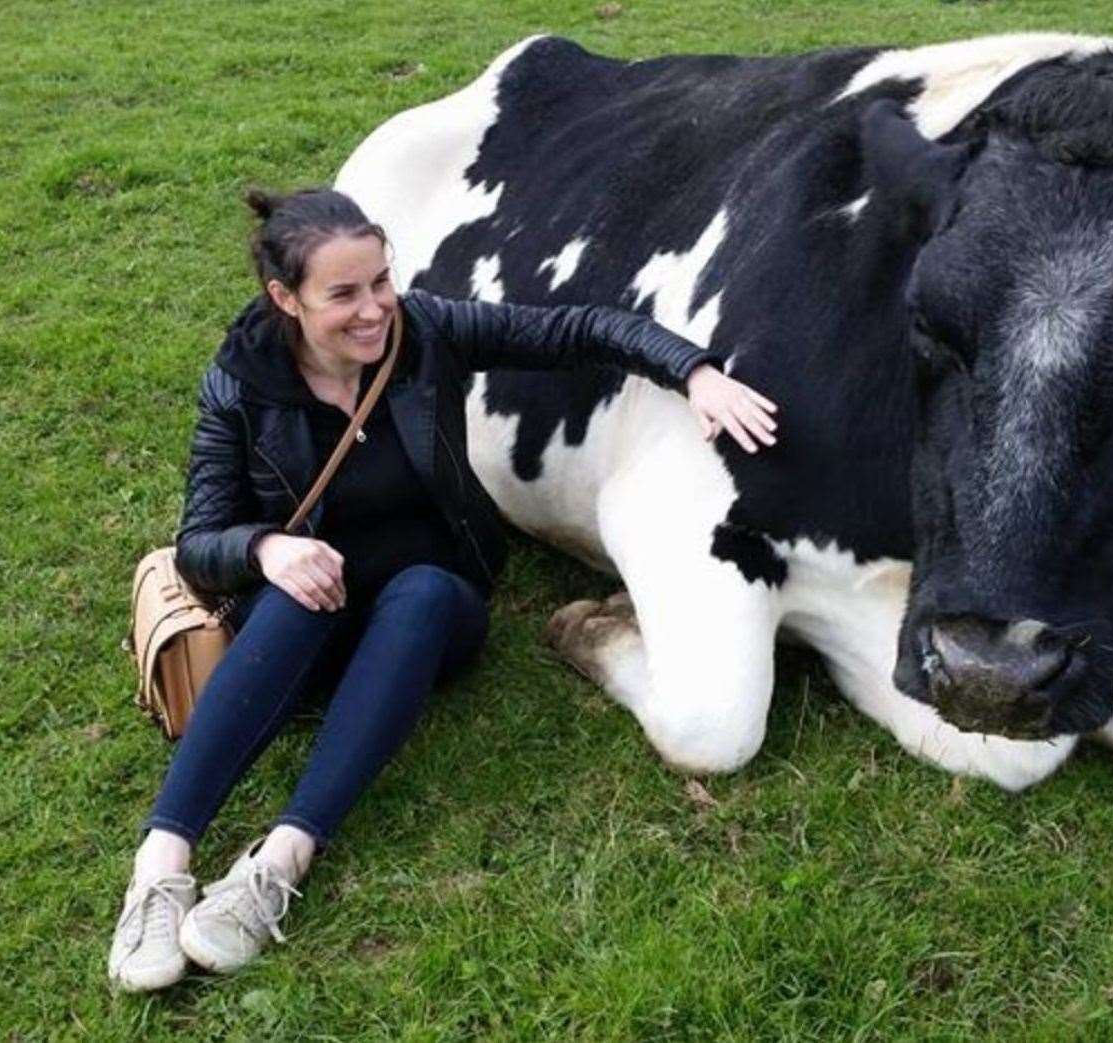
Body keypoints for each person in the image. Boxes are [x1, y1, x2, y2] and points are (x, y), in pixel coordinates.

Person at [107, 187, 779, 991]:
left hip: (432, 607)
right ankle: (161, 864)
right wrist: (266, 546)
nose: (374, 310)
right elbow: (198, 542)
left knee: (423, 590)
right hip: (307, 608)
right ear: (284, 299)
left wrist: (693, 369)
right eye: (344, 294)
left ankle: (280, 859)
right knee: (294, 595)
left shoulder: (425, 332)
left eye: (381, 282)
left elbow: (577, 329)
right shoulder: (241, 380)